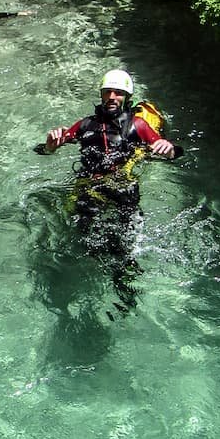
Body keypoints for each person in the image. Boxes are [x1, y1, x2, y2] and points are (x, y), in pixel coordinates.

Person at [40, 69, 178, 312]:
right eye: (108, 92)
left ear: (127, 97)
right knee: (85, 234)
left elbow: (170, 150)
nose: (112, 96)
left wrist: (169, 150)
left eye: (118, 92)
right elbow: (44, 150)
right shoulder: (85, 125)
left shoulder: (138, 125)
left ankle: (125, 284)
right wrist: (50, 146)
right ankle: (94, 274)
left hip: (122, 184)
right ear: (102, 95)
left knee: (123, 239)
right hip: (90, 186)